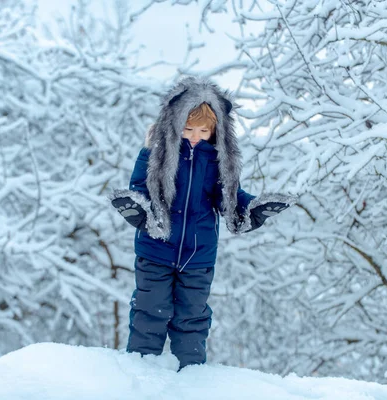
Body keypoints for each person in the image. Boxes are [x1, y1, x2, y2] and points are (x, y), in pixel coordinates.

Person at [109, 76, 296, 371]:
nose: (195, 137)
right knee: (150, 312)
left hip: (199, 256)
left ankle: (191, 377)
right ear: (174, 124)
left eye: (203, 130)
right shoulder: (156, 154)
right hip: (156, 250)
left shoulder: (218, 161)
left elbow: (229, 200)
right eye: (188, 128)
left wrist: (253, 208)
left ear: (215, 131)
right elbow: (140, 189)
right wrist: (137, 208)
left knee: (192, 317)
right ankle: (140, 374)